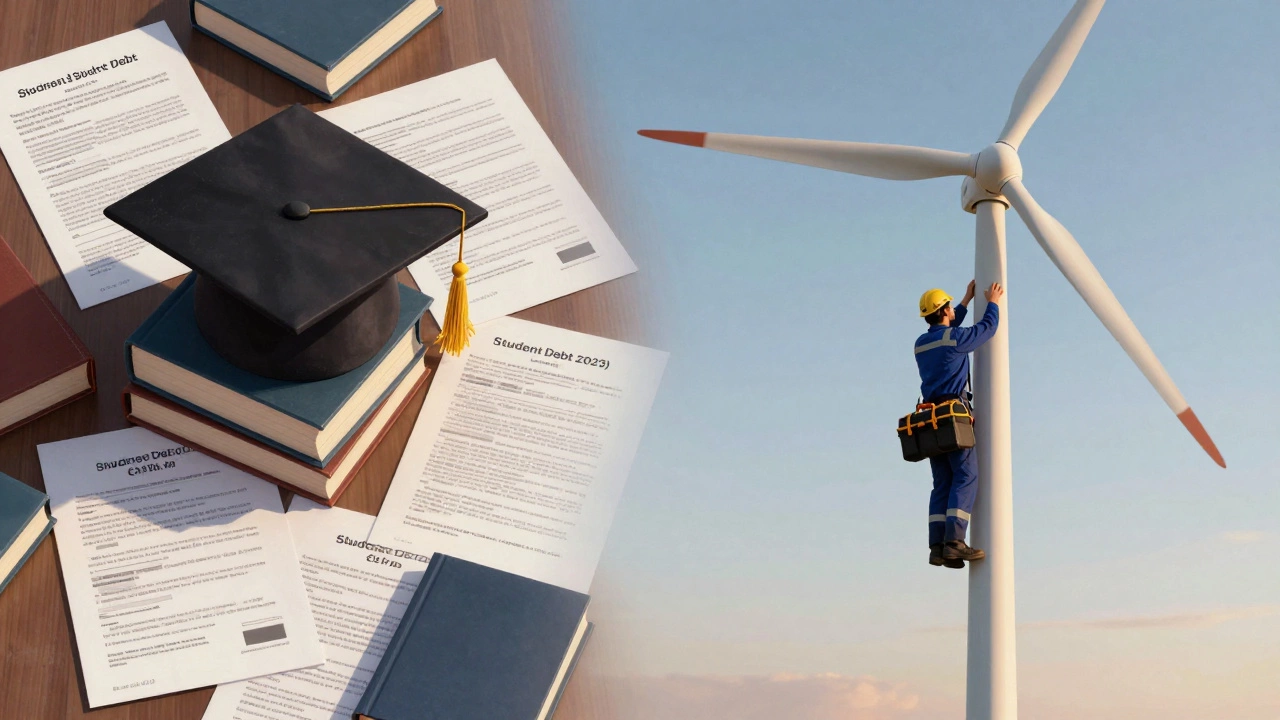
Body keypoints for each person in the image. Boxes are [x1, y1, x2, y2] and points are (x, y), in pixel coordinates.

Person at [914, 280, 1003, 569]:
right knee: (965, 477)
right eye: (950, 307)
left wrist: (965, 300)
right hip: (953, 417)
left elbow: (950, 331)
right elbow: (985, 330)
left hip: (930, 421)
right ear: (944, 312)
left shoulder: (922, 344)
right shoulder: (954, 340)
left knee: (941, 483)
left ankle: (938, 547)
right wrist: (993, 303)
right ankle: (955, 542)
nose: (954, 310)